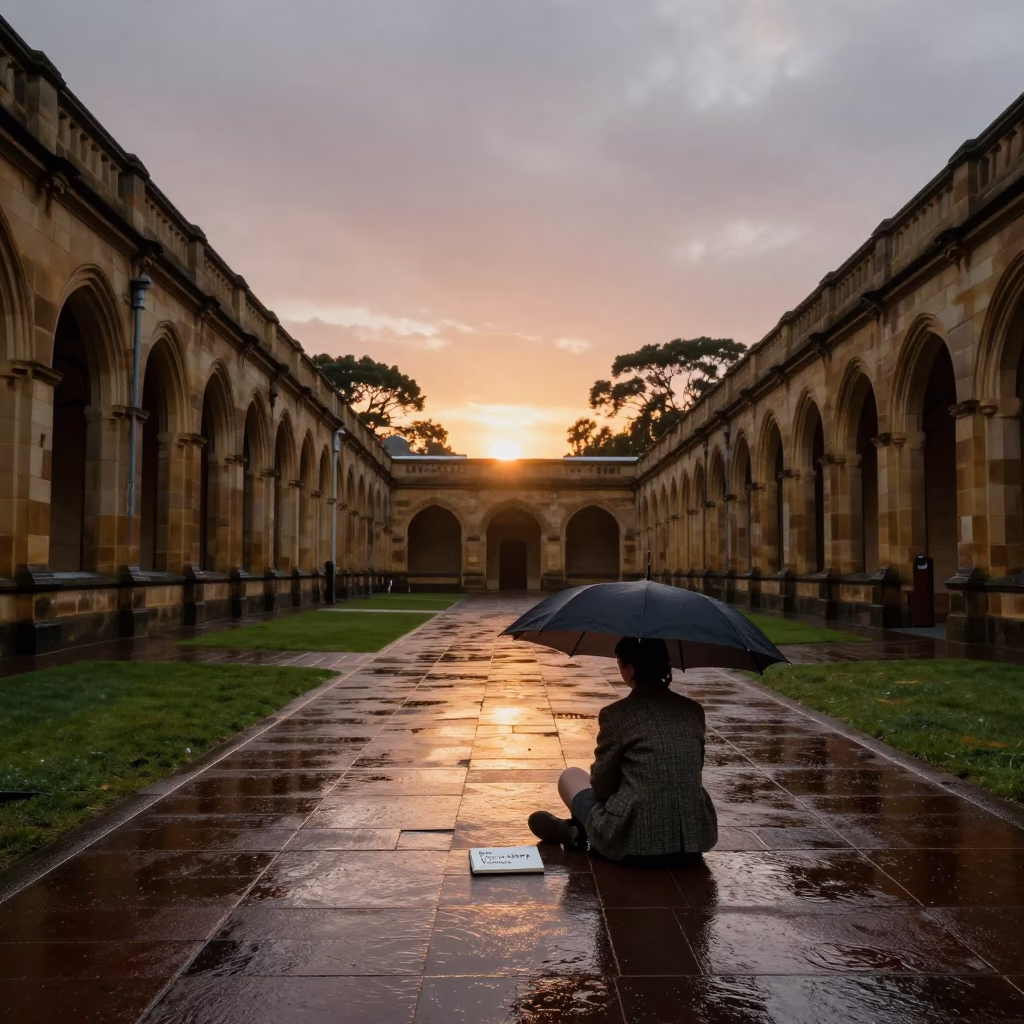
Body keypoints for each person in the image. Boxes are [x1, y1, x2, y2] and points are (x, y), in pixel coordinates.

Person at [528, 635, 717, 867]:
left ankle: (578, 830)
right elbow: (692, 769)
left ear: (630, 668)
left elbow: (601, 786)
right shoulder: (693, 710)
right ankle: (580, 830)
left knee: (572, 778)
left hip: (633, 843)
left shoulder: (617, 714)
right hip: (691, 840)